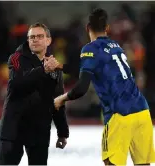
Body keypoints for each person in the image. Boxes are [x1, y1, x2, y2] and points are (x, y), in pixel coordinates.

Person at [54, 8, 155, 166]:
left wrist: (61, 99)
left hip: (120, 114)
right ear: (107, 28)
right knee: (143, 164)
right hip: (142, 111)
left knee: (112, 163)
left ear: (88, 28)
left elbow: (81, 87)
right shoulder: (116, 46)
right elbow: (88, 69)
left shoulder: (90, 49)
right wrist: (62, 66)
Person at [0, 23, 69, 165]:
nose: (35, 40)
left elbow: (58, 100)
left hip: (39, 129)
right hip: (14, 128)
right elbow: (16, 85)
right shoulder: (16, 58)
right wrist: (43, 70)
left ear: (48, 40)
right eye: (32, 37)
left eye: (39, 36)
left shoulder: (54, 66)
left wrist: (62, 132)